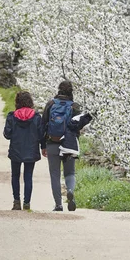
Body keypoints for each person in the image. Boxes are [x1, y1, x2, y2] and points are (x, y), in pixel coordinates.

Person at [41, 80, 81, 211]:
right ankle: (70, 190)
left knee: (55, 174)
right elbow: (77, 128)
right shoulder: (74, 107)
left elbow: (43, 125)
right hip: (68, 144)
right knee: (70, 172)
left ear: (59, 90)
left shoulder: (51, 104)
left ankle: (58, 204)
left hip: (53, 142)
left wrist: (43, 145)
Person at [3, 91, 46, 211]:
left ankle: (16, 202)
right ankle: (27, 203)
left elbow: (7, 134)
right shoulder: (36, 117)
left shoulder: (12, 116)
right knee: (28, 176)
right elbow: (41, 134)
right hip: (31, 150)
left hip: (16, 149)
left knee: (15, 175)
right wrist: (43, 146)